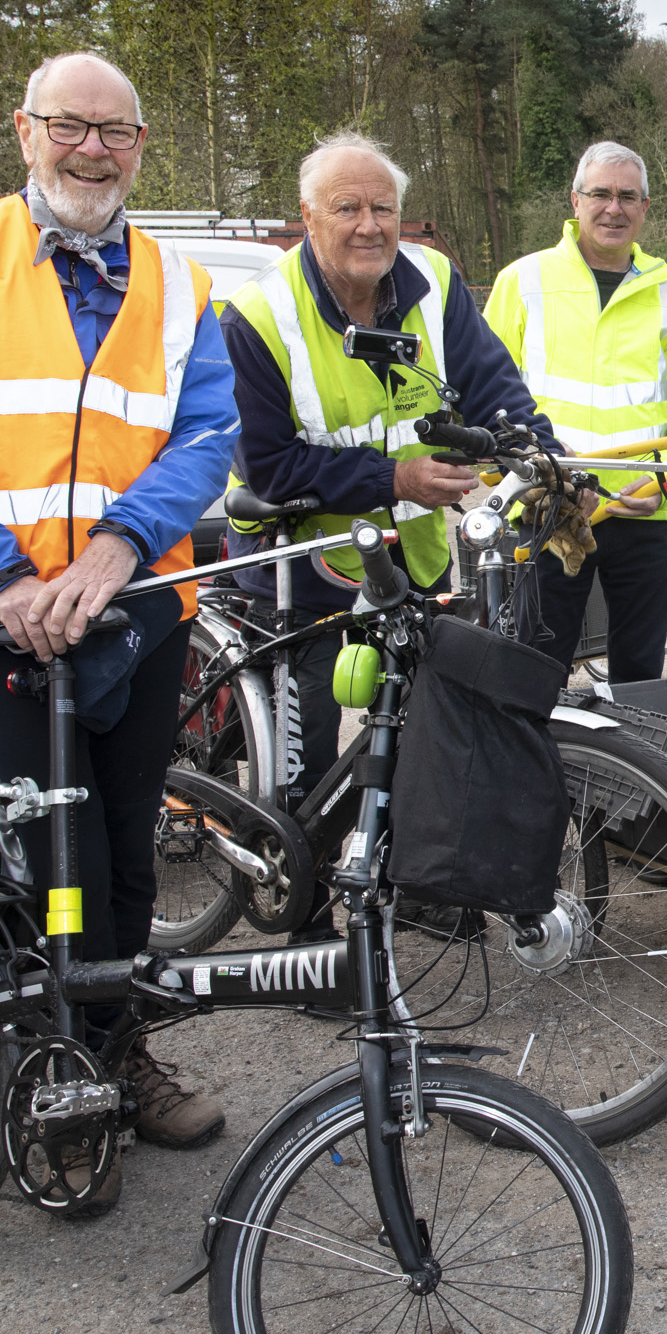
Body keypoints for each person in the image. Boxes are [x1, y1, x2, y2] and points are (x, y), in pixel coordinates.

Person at [0, 50, 239, 1197]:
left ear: (139, 145)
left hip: (138, 605)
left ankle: (117, 1052)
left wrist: (123, 546)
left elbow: (206, 432)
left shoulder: (180, 284)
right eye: (70, 127)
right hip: (2, 618)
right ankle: (47, 1073)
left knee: (130, 852)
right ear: (24, 132)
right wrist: (1, 578)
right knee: (45, 857)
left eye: (115, 132)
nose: (92, 149)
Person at [221, 131, 557, 846]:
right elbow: (267, 465)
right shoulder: (259, 315)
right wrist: (393, 477)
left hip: (410, 554)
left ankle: (409, 879)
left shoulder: (432, 280)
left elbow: (495, 388)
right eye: (347, 208)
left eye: (383, 207)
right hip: (298, 563)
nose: (369, 225)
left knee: (414, 725)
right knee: (305, 753)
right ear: (307, 217)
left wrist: (546, 461)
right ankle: (301, 901)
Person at [483, 141, 667, 681]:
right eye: (601, 194)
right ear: (575, 200)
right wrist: (526, 474)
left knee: (641, 674)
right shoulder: (523, 282)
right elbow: (486, 397)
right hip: (552, 508)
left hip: (644, 512)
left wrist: (663, 484)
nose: (614, 208)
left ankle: (632, 768)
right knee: (537, 670)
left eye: (628, 196)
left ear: (645, 208)